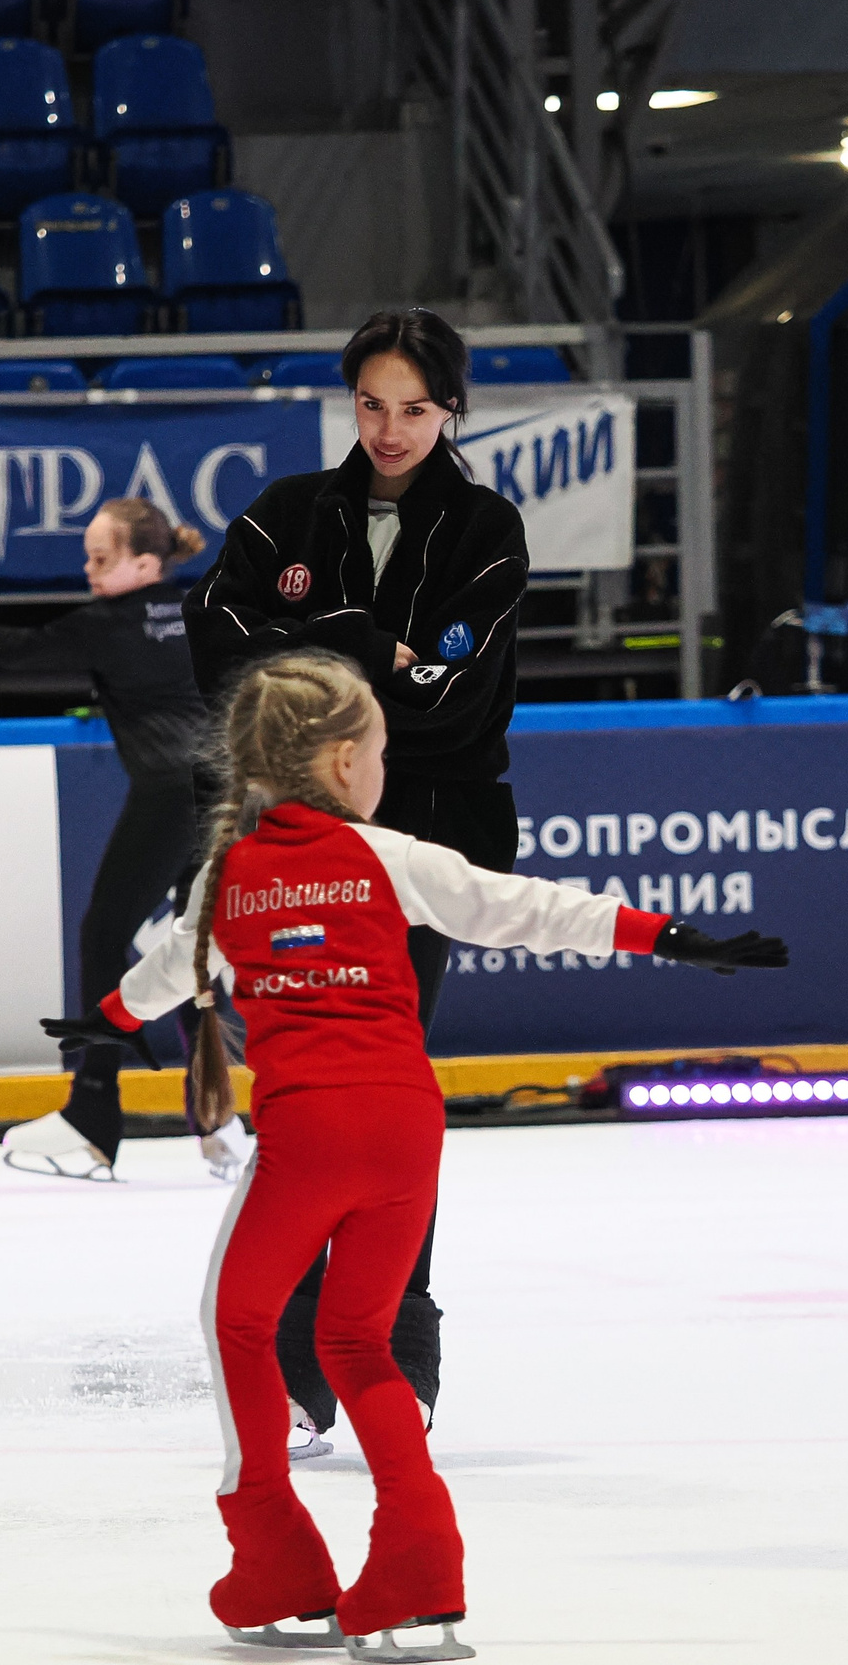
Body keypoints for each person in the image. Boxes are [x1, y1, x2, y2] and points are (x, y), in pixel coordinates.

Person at [44, 651, 787, 1655]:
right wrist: (667, 935)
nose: (386, 767)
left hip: (309, 1137)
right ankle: (417, 1574)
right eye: (385, 750)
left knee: (241, 1323)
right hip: (405, 1135)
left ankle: (276, 1562)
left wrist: (104, 1023)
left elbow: (163, 972)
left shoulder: (227, 877)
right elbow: (525, 907)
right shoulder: (391, 857)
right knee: (359, 1342)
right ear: (345, 761)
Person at [184, 307, 526, 1454]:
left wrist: (314, 641)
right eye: (372, 404)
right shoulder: (286, 512)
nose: (389, 429)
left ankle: (394, 1338)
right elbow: (214, 652)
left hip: (427, 846)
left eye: (414, 409)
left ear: (450, 410)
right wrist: (370, 639)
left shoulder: (485, 530)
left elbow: (451, 706)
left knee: (381, 1087)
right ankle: (297, 1346)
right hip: (289, 846)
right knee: (300, 1086)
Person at [0, 497, 213, 1179]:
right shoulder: (199, 611)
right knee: (197, 947)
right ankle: (221, 1120)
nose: (87, 568)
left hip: (165, 792)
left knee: (102, 937)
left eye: (101, 558)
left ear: (144, 563)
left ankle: (93, 1113)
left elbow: (20, 650)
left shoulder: (105, 624)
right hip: (220, 791)